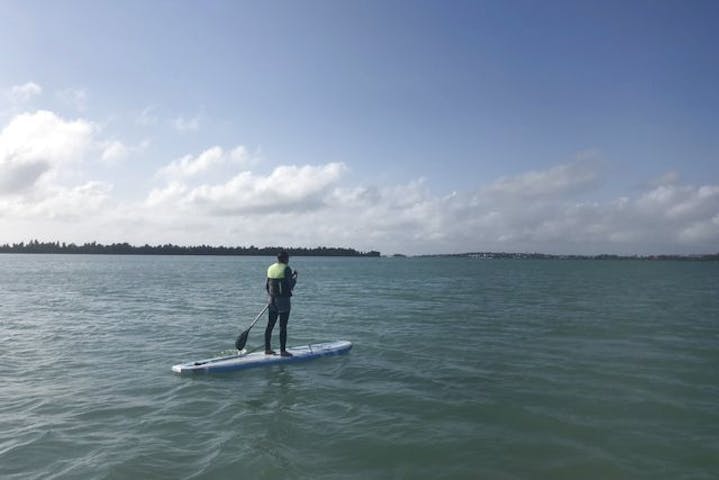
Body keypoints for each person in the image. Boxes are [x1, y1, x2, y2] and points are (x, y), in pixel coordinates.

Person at [265, 250, 298, 356]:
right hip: (283, 300)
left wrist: (271, 296)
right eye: (288, 258)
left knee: (270, 325)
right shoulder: (286, 268)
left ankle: (267, 349)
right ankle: (283, 351)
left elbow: (267, 285)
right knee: (283, 326)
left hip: (271, 299)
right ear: (285, 259)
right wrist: (295, 277)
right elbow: (290, 286)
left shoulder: (270, 268)